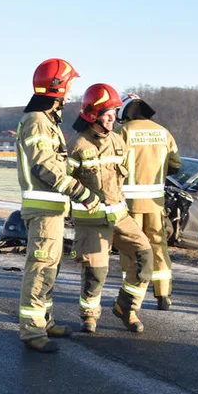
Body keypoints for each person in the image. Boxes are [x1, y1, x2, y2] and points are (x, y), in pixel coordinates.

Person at [16, 58, 101, 353]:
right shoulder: (38, 121)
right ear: (58, 87)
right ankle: (32, 330)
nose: (71, 91)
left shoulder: (46, 120)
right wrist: (82, 193)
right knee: (40, 267)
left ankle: (45, 320)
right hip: (43, 210)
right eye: (69, 85)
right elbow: (46, 167)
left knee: (50, 266)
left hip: (51, 210)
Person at [67, 84, 154, 334]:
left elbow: (121, 177)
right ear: (92, 114)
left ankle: (126, 308)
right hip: (91, 220)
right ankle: (89, 315)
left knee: (145, 256)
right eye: (107, 112)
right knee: (96, 271)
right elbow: (64, 180)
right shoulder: (77, 145)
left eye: (114, 112)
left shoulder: (118, 140)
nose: (112, 117)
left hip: (120, 217)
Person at [118, 93, 181, 309]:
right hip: (156, 203)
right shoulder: (163, 132)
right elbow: (176, 164)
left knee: (132, 248)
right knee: (158, 246)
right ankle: (163, 295)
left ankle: (133, 295)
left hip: (130, 204)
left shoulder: (124, 131)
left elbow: (115, 164)